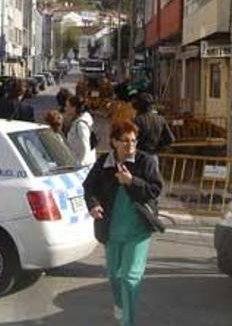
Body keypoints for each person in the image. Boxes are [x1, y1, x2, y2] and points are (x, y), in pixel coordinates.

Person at [83, 120, 163, 326]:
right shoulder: (104, 163)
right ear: (114, 142)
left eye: (134, 141)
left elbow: (155, 190)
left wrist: (131, 181)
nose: (131, 146)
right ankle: (120, 305)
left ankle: (127, 321)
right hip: (111, 231)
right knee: (113, 276)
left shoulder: (145, 162)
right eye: (125, 141)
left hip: (138, 231)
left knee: (129, 278)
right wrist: (93, 205)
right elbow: (89, 187)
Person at [66, 95, 96, 167]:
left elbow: (85, 146)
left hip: (83, 166)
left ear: (74, 108)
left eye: (67, 106)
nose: (65, 109)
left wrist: (80, 165)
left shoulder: (81, 124)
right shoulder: (79, 121)